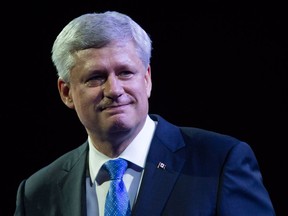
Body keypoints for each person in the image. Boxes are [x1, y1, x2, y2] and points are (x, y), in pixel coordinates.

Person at [14, 11, 275, 216]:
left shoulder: (219, 163)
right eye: (95, 77)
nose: (114, 89)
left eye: (125, 72)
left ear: (147, 79)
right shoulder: (37, 192)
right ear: (66, 92)